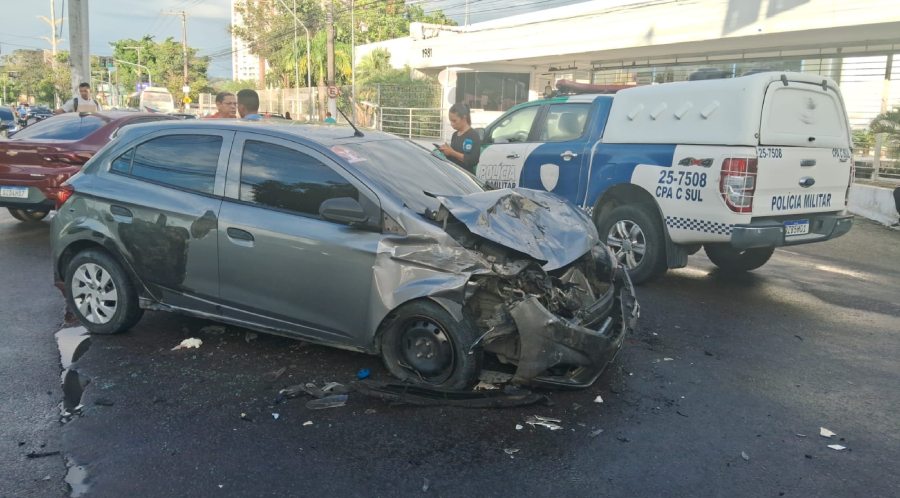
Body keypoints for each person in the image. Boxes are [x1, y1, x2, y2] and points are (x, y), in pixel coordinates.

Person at [437, 103, 481, 174]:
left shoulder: (473, 135)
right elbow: (453, 159)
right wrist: (447, 152)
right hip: (454, 174)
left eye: (454, 121)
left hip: (466, 176)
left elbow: (473, 160)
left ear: (464, 118)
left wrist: (452, 152)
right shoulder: (455, 135)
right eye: (450, 121)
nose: (452, 124)